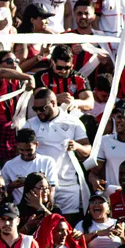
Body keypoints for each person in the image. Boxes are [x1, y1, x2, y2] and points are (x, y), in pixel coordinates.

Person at [25, 89, 91, 219]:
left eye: (43, 108)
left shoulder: (73, 122)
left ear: (54, 103)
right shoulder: (30, 124)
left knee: (66, 225)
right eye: (35, 108)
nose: (39, 112)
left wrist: (77, 146)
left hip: (67, 185)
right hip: (41, 187)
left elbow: (88, 150)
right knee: (41, 224)